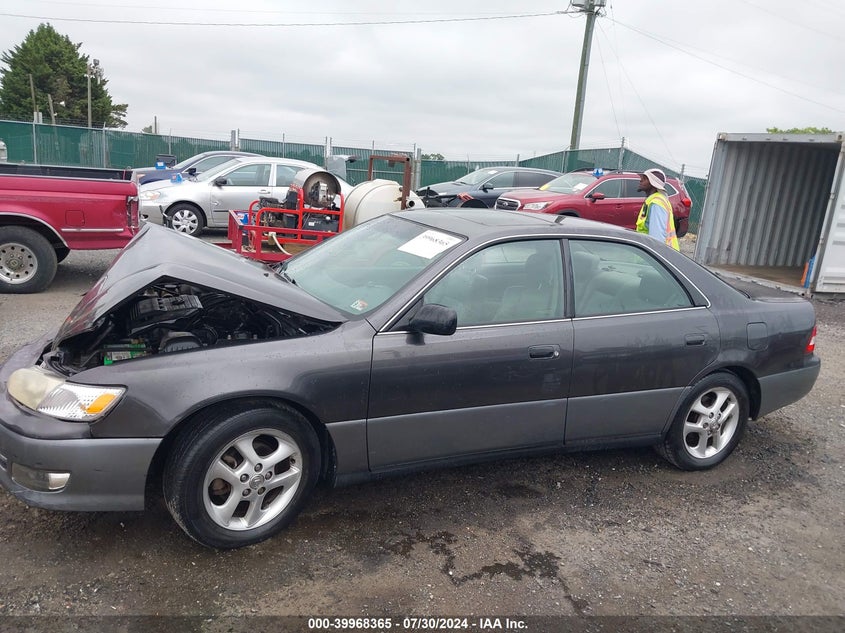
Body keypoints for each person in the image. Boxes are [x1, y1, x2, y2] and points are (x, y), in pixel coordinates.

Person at [636, 168, 679, 251]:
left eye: (645, 179)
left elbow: (656, 239)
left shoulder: (656, 203)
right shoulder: (653, 200)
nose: (640, 180)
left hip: (658, 255)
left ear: (653, 183)